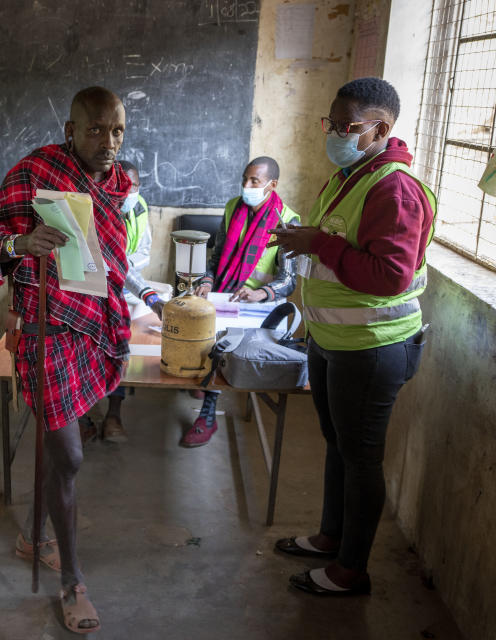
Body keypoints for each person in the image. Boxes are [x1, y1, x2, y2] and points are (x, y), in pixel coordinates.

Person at [0, 86, 133, 634]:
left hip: (88, 330)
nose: (108, 142)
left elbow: (113, 261)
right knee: (69, 453)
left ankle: (32, 538)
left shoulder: (117, 186)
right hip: (44, 332)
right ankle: (72, 581)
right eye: (95, 130)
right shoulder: (35, 171)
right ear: (70, 130)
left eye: (117, 131)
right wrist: (22, 244)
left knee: (55, 443)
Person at [268, 77, 435, 596]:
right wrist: (304, 243)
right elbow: (338, 245)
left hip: (373, 349)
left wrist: (317, 242)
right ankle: (329, 537)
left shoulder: (395, 188)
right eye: (332, 122)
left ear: (380, 128)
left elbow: (391, 276)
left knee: (361, 457)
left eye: (346, 125)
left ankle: (350, 570)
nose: (335, 132)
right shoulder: (350, 175)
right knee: (337, 445)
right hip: (333, 342)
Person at [182, 157, 299, 448]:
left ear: (272, 185)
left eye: (254, 182)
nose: (247, 187)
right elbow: (217, 255)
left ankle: (209, 404)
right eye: (244, 179)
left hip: (258, 306)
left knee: (226, 343)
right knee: (203, 329)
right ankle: (208, 396)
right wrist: (207, 281)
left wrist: (262, 293)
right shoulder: (234, 207)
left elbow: (289, 281)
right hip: (225, 294)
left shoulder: (288, 220)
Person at [99, 159, 164, 444]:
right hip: (94, 291)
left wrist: (145, 291)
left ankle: (114, 413)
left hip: (127, 290)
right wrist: (148, 295)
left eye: (135, 185)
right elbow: (111, 260)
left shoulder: (138, 207)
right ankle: (79, 416)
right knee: (87, 351)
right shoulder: (97, 210)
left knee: (121, 348)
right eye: (123, 184)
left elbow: (136, 256)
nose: (130, 190)